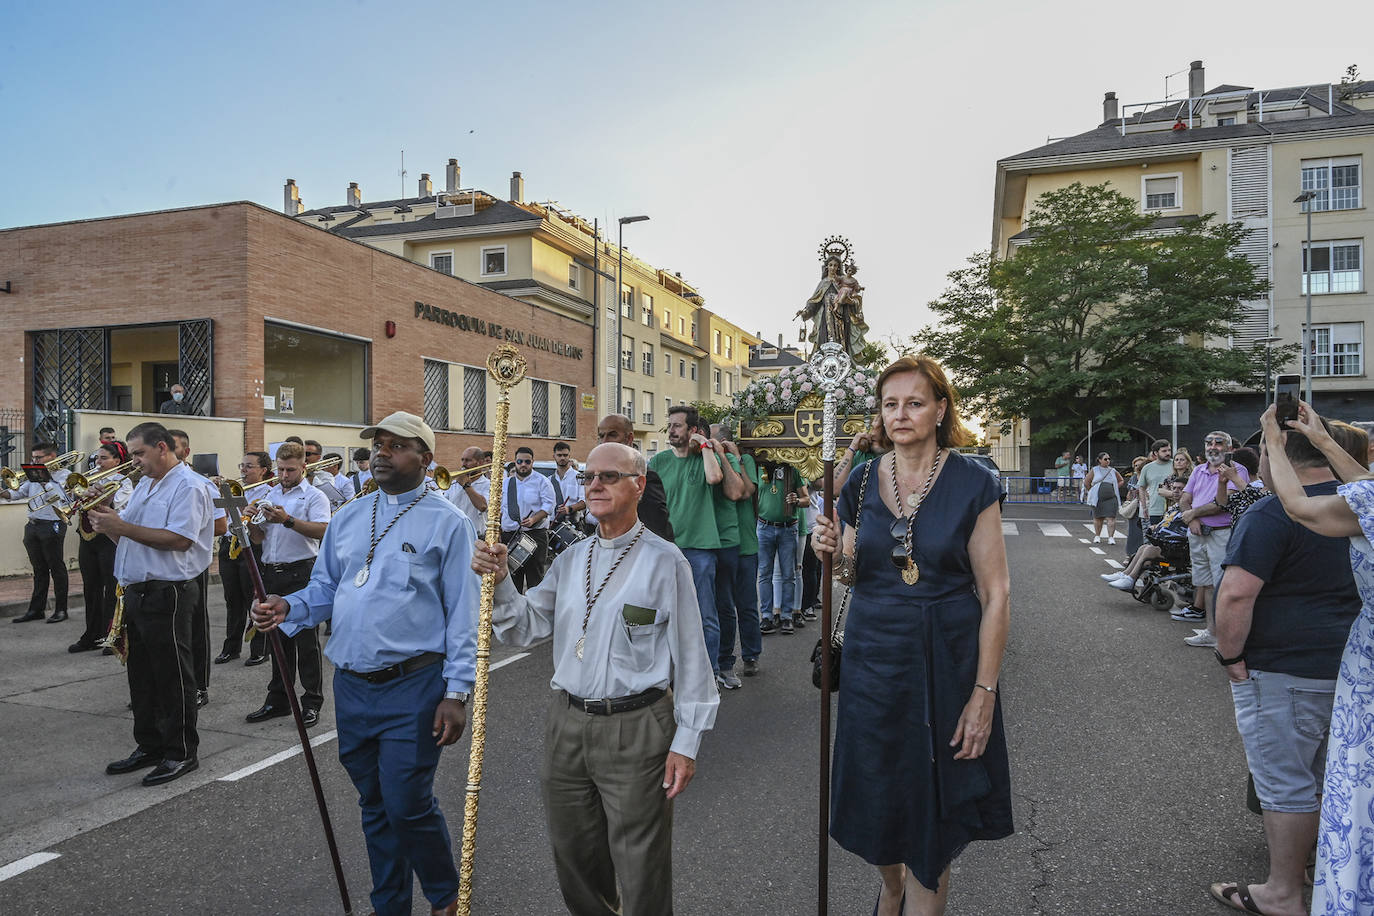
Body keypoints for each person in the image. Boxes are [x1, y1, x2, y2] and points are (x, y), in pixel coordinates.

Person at [471, 442, 717, 916]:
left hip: (637, 725)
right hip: (567, 722)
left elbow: (692, 658)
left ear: (638, 485)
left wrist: (687, 741)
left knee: (642, 867)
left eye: (609, 476)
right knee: (575, 858)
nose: (596, 485)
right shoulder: (571, 559)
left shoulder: (666, 561)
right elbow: (524, 627)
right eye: (589, 478)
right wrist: (501, 577)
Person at [252, 411, 476, 916]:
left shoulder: (449, 522)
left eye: (397, 446)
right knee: (374, 804)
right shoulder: (350, 515)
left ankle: (445, 897)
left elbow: (464, 613)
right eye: (379, 444)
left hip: (414, 685)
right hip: (353, 685)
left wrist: (457, 693)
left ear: (424, 457)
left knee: (406, 801)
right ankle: (390, 906)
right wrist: (290, 607)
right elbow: (328, 587)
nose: (382, 452)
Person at [812, 355, 1012, 915]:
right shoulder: (859, 480)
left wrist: (984, 693)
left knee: (933, 805)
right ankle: (892, 885)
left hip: (946, 660)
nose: (901, 414)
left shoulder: (974, 481)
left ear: (941, 409)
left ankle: (919, 896)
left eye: (915, 402)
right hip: (873, 661)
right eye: (890, 403)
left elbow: (996, 594)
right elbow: (851, 568)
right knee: (876, 791)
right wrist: (826, 551)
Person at [1207, 421, 1361, 916]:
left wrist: (1230, 658)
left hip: (1285, 668)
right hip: (1354, 668)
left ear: (1279, 456)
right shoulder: (1360, 507)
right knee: (1334, 776)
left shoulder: (1274, 512)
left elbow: (1235, 593)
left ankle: (1283, 892)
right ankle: (1328, 869)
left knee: (1286, 782)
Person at [1256, 401, 1374, 916]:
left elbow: (1300, 507)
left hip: (1368, 664)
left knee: (1358, 781)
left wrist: (1275, 444)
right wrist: (1323, 440)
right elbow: (1365, 486)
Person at [92, 421, 214, 787]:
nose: (134, 462)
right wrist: (106, 517)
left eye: (140, 454)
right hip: (138, 589)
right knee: (142, 675)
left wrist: (123, 527)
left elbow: (178, 540)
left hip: (169, 591)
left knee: (174, 676)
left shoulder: (190, 486)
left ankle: (180, 752)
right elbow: (130, 539)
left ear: (162, 447)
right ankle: (150, 745)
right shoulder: (146, 483)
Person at [244, 442, 331, 728]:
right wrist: (251, 523)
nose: (284, 475)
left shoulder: (315, 496)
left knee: (306, 641)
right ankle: (279, 699)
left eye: (290, 470)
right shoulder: (269, 494)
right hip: (272, 571)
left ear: (303, 467)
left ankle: (311, 701)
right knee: (277, 641)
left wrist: (288, 520)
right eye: (280, 469)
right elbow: (259, 539)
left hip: (301, 571)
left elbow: (324, 530)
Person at [649, 406, 737, 682]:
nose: (671, 431)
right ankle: (666, 675)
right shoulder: (658, 462)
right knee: (663, 614)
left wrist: (706, 447)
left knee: (705, 616)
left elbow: (715, 478)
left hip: (700, 550)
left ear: (691, 430)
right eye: (670, 425)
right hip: (666, 547)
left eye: (677, 426)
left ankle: (708, 675)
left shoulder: (703, 460)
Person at [169, 428, 227, 708]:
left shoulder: (201, 483)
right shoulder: (150, 482)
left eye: (174, 447)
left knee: (195, 627)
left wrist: (186, 529)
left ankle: (199, 686)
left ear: (186, 452)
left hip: (191, 563)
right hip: (163, 567)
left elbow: (221, 525)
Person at [1177, 432, 1249, 645]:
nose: (1213, 447)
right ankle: (1212, 632)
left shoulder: (1237, 471)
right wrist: (1191, 520)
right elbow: (1185, 498)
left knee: (1222, 585)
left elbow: (1224, 503)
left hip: (1221, 533)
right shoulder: (1198, 470)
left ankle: (1228, 636)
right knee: (1206, 584)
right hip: (1198, 533)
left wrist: (1193, 513)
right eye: (1209, 443)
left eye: (1219, 443)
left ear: (1229, 448)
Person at [70, 440, 135, 653]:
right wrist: (78, 492)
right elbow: (72, 500)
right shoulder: (88, 478)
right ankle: (92, 634)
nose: (99, 462)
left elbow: (119, 505)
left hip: (109, 538)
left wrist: (98, 495)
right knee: (91, 587)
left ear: (117, 460)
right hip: (87, 537)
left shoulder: (123, 481)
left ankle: (112, 634)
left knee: (111, 587)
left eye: (104, 458)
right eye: (97, 458)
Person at [1, 441, 72, 623]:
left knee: (56, 568)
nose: (34, 461)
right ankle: (36, 610)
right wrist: (3, 493)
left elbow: (60, 499)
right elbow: (19, 493)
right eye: (33, 458)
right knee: (39, 570)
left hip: (52, 525)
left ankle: (61, 610)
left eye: (38, 458)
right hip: (33, 525)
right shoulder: (33, 475)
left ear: (52, 457)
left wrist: (45, 481)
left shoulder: (65, 476)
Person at [712, 424, 759, 687]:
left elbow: (748, 490)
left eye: (714, 438)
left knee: (747, 605)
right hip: (722, 543)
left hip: (746, 546)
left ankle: (751, 655)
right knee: (723, 606)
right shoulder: (709, 460)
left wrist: (737, 458)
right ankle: (722, 659)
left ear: (725, 441)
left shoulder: (744, 460)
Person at [215, 451, 270, 666]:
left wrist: (239, 506)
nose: (243, 471)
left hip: (250, 546)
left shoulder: (267, 492)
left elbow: (259, 523)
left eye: (249, 466)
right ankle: (231, 648)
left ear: (263, 471)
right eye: (242, 466)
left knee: (253, 598)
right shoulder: (234, 488)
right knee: (232, 600)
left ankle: (260, 649)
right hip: (229, 545)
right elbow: (223, 520)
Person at [592, 414, 673, 541]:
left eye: (612, 435)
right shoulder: (598, 477)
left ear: (629, 438)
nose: (605, 441)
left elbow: (657, 528)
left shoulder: (645, 477)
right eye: (601, 436)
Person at [1103, 474, 1188, 591]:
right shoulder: (1174, 507)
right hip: (1166, 544)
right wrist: (1156, 527)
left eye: (1181, 489)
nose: (1176, 491)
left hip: (1178, 548)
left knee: (1148, 550)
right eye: (1174, 488)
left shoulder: (1187, 509)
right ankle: (1126, 574)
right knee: (1143, 547)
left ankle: (1130, 578)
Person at [757, 458, 809, 635]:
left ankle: (786, 616)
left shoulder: (791, 470)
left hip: (788, 529)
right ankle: (766, 616)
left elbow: (806, 499)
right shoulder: (759, 467)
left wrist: (796, 500)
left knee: (789, 574)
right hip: (764, 527)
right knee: (764, 573)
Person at [500, 446, 557, 592]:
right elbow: (500, 509)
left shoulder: (542, 481)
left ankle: (534, 612)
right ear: (515, 462)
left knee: (535, 579)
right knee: (513, 580)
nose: (523, 464)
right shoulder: (506, 483)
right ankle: (515, 613)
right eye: (520, 461)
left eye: (527, 461)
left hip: (535, 535)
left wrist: (533, 519)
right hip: (510, 535)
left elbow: (549, 506)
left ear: (532, 462)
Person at [444, 446, 491, 534]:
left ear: (480, 463)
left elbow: (483, 506)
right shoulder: (454, 484)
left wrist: (466, 486)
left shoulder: (488, 485)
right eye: (462, 460)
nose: (463, 464)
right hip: (453, 534)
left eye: (468, 460)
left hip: (475, 537)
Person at [1081, 452, 1124, 544]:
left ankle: (1111, 537)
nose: (1108, 461)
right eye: (1105, 459)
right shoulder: (1095, 470)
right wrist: (1092, 491)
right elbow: (1087, 482)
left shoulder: (1112, 470)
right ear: (1099, 460)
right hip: (1098, 498)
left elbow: (1121, 480)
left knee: (1111, 517)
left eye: (1109, 459)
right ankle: (1097, 536)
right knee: (1098, 518)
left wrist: (1114, 487)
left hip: (1111, 498)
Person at [552, 441, 586, 526]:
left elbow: (585, 501)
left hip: (573, 524)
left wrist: (569, 509)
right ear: (554, 456)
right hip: (553, 524)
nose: (562, 458)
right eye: (559, 455)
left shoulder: (579, 477)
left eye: (565, 455)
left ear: (569, 456)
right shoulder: (549, 480)